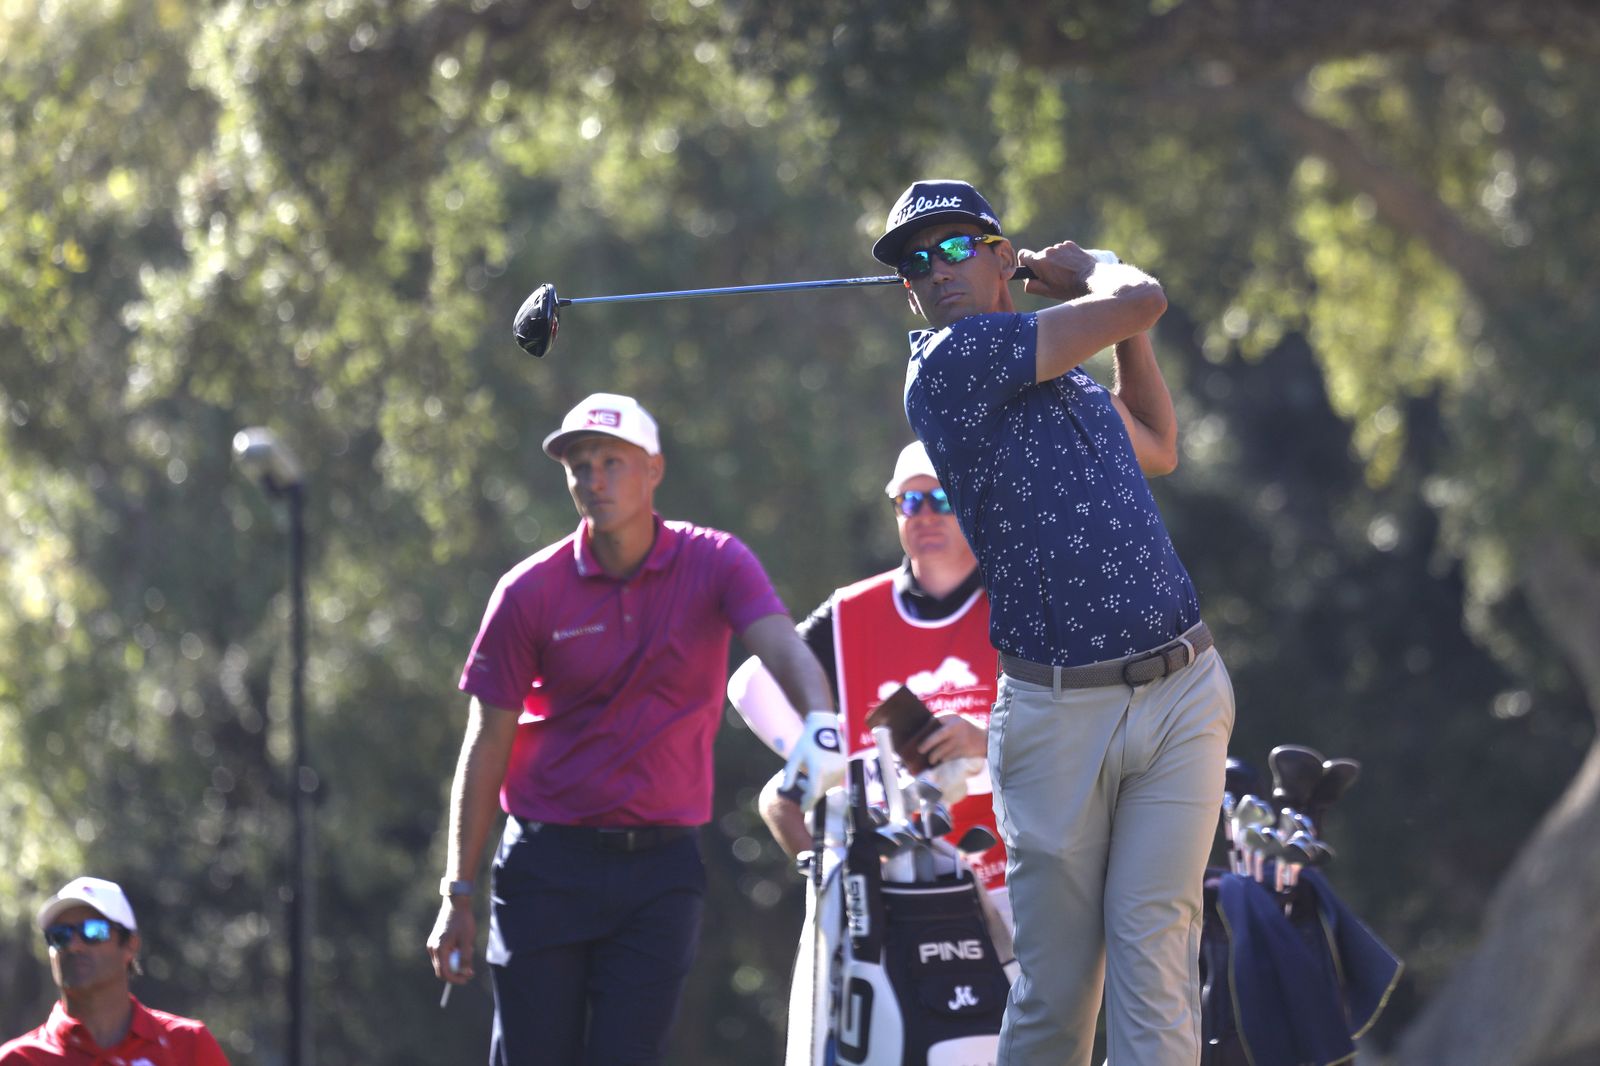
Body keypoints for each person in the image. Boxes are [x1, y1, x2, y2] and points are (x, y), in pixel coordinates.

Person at [872, 179, 1236, 1066]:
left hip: (1183, 691)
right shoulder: (949, 368)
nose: (936, 270)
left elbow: (1157, 441)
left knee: (1155, 963)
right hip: (1057, 718)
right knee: (1058, 999)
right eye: (917, 262)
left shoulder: (1064, 385)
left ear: (1002, 258)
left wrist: (1112, 319)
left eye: (957, 246)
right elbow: (1141, 295)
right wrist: (1095, 275)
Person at [426, 392, 843, 1066]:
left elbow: (781, 646)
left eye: (612, 462)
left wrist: (822, 721)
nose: (594, 479)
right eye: (580, 465)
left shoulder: (716, 562)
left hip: (659, 871)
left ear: (654, 469)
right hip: (545, 866)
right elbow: (486, 746)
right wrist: (458, 892)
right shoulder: (528, 591)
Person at [728, 441, 1009, 921]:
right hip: (895, 889)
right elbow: (752, 684)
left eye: (941, 499)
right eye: (909, 502)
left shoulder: (1013, 602)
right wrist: (826, 753)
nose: (924, 514)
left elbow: (1069, 725)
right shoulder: (851, 612)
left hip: (1011, 879)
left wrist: (987, 741)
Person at [1, 876, 230, 1065]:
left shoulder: (188, 1045)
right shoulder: (16, 1060)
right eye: (60, 935)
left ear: (130, 944)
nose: (73, 945)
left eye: (93, 931)